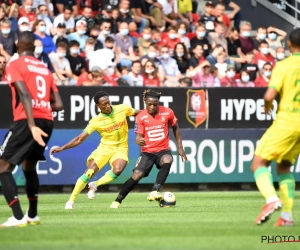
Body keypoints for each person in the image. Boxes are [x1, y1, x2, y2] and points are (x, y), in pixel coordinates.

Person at [0, 31, 63, 227]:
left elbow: (25, 95)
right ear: (33, 47)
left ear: (18, 45)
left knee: (2, 167)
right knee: (29, 167)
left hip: (28, 121)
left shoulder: (14, 64)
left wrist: (31, 125)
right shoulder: (44, 69)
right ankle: (32, 215)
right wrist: (42, 107)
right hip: (47, 120)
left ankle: (18, 216)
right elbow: (59, 104)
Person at [50, 91, 139, 208]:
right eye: (104, 104)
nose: (108, 106)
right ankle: (70, 201)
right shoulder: (96, 121)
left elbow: (139, 113)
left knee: (117, 170)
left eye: (108, 103)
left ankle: (95, 184)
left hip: (121, 148)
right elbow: (79, 139)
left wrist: (157, 114)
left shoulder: (122, 108)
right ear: (98, 106)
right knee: (89, 172)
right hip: (105, 148)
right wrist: (63, 148)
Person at [251, 28, 300, 227]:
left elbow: (269, 96)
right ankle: (287, 216)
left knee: (258, 163)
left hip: (287, 122)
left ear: (288, 44)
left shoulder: (284, 65)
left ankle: (271, 200)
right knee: (284, 166)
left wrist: (267, 107)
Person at [109, 89, 187, 208]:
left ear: (158, 103)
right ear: (145, 101)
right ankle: (117, 201)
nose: (152, 107)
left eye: (155, 104)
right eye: (149, 104)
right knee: (137, 175)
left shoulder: (168, 112)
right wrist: (138, 140)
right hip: (147, 153)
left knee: (168, 160)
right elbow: (138, 136)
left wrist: (180, 148)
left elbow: (176, 128)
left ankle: (155, 191)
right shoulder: (140, 117)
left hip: (163, 150)